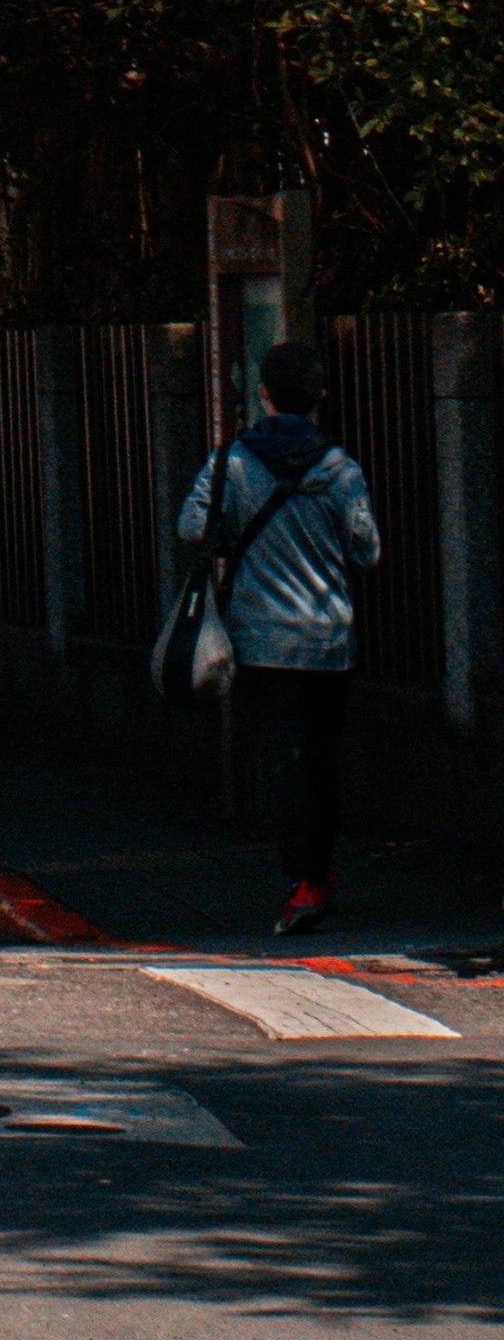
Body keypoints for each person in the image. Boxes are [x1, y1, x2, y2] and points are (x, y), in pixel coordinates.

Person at [177, 340, 382, 933]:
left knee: (283, 764)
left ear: (263, 395)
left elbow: (193, 526)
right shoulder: (341, 471)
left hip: (262, 643)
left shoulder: (231, 464)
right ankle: (320, 871)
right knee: (320, 761)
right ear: (318, 399)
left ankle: (305, 881)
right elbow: (367, 553)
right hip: (329, 641)